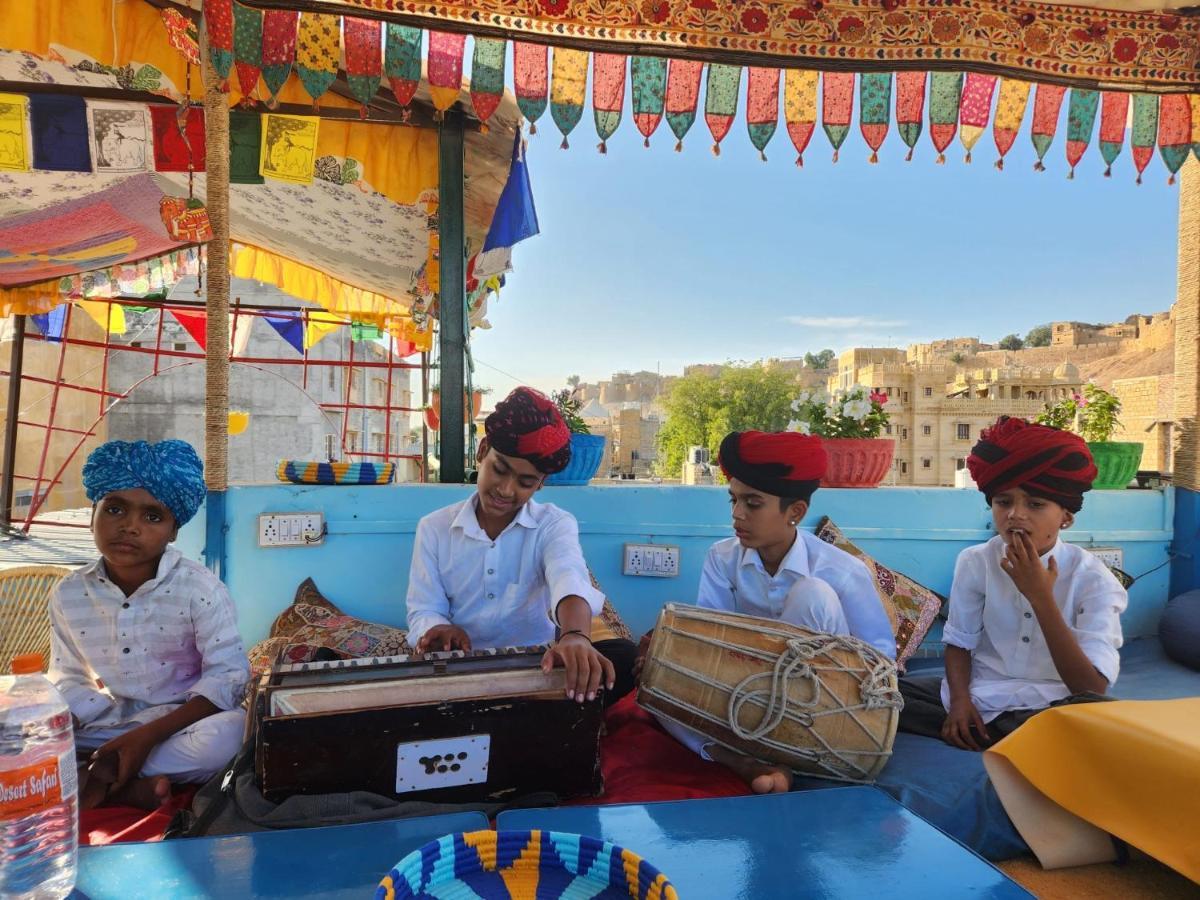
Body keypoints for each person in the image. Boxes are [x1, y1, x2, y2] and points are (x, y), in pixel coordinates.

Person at [652, 429, 895, 793]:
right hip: (744, 694)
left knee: (812, 594)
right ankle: (745, 762)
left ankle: (785, 756)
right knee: (659, 687)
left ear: (795, 512)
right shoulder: (722, 558)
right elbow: (709, 643)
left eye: (753, 503)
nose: (737, 514)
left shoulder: (841, 571)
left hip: (821, 707)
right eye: (733, 500)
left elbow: (881, 662)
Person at [898, 417, 1126, 750]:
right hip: (982, 697)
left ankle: (998, 737)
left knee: (1101, 717)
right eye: (1004, 502)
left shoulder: (1094, 579)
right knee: (880, 694)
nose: (1015, 515)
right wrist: (960, 703)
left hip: (1052, 706)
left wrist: (1040, 596)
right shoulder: (975, 562)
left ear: (1066, 517)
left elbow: (1090, 687)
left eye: (1035, 504)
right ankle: (986, 732)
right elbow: (960, 644)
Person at [48, 440, 250, 810]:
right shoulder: (69, 592)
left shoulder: (199, 588)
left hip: (178, 726)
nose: (129, 526)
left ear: (174, 531)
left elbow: (229, 677)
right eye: (115, 509)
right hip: (105, 726)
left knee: (232, 735)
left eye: (152, 517)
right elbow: (69, 677)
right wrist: (62, 724)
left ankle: (99, 779)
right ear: (93, 510)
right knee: (18, 739)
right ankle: (123, 786)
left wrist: (145, 738)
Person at [406, 387, 634, 704]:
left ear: (540, 484)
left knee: (623, 658)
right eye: (499, 469)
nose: (505, 489)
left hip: (536, 673)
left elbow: (568, 578)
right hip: (458, 672)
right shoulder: (433, 528)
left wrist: (575, 637)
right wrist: (438, 629)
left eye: (525, 482)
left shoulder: (553, 524)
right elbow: (423, 610)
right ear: (483, 451)